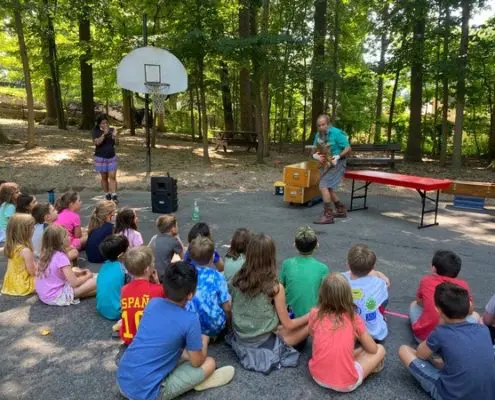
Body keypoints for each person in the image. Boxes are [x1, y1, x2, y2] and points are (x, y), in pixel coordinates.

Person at [116, 261, 235, 400]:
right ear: (190, 295)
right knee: (210, 363)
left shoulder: (153, 303)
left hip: (122, 379)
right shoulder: (190, 319)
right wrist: (205, 340)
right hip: (146, 394)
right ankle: (198, 382)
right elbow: (197, 362)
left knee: (179, 353)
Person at [228, 234, 309, 373]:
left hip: (240, 335)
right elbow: (288, 324)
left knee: (282, 327)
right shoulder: (275, 287)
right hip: (262, 339)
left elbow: (231, 306)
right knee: (308, 326)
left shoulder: (236, 279)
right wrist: (311, 315)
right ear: (271, 256)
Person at [399, 283, 495, 400]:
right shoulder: (483, 329)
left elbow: (420, 354)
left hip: (450, 395)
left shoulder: (440, 332)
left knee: (404, 350)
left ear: (438, 310)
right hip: (488, 394)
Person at [309, 273, 386, 392]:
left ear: (322, 294)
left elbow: (313, 335)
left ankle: (344, 362)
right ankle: (362, 367)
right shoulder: (354, 318)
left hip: (317, 376)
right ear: (348, 295)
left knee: (345, 350)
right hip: (346, 384)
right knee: (380, 349)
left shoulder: (315, 313)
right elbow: (373, 349)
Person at [409, 250, 479, 342]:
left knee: (414, 305)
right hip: (454, 338)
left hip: (425, 338)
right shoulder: (463, 285)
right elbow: (469, 310)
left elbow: (419, 301)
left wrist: (431, 306)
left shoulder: (426, 281)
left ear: (434, 268)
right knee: (476, 315)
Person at [35, 225, 96, 305]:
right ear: (60, 241)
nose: (70, 237)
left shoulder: (45, 253)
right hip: (56, 296)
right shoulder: (61, 257)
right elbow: (75, 283)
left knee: (76, 270)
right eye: (67, 236)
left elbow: (56, 273)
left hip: (44, 294)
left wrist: (78, 274)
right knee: (96, 281)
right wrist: (88, 276)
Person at [185, 236, 231, 337]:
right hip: (214, 328)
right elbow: (227, 308)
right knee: (227, 297)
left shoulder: (186, 275)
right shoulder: (217, 276)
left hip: (191, 328)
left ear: (191, 257)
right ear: (212, 257)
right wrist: (230, 325)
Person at [311, 114, 352, 224]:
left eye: (323, 124)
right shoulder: (318, 135)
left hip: (338, 162)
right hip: (326, 164)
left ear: (328, 124)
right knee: (328, 188)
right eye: (319, 125)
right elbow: (313, 149)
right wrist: (315, 156)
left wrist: (338, 156)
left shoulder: (337, 133)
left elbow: (348, 148)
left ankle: (328, 215)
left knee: (323, 186)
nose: (321, 127)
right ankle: (340, 210)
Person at [343, 244, 389, 341]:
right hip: (373, 333)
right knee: (383, 298)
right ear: (372, 267)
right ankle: (379, 314)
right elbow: (387, 285)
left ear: (347, 264)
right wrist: (378, 274)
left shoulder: (340, 279)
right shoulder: (378, 283)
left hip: (347, 329)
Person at [280, 226, 329, 318]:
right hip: (312, 316)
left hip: (290, 315)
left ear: (294, 244)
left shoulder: (287, 264)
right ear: (317, 245)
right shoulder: (323, 268)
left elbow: (280, 287)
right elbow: (325, 295)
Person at [120, 246, 164, 345]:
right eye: (152, 263)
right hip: (150, 341)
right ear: (147, 269)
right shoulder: (158, 289)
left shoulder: (124, 290)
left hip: (129, 339)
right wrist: (157, 283)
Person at [1, 213, 36, 296]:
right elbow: (33, 272)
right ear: (25, 231)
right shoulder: (25, 250)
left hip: (10, 284)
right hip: (23, 284)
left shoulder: (11, 246)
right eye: (32, 227)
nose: (34, 229)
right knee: (47, 280)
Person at [96, 234, 129, 320]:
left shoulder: (104, 266)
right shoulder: (124, 269)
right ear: (121, 255)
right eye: (128, 249)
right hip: (118, 312)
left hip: (100, 308)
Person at [92, 114, 119, 202]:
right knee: (104, 177)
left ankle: (114, 195)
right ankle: (107, 194)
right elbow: (97, 143)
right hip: (100, 157)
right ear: (99, 124)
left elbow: (117, 143)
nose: (105, 125)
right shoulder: (95, 131)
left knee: (112, 176)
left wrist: (115, 136)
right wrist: (104, 134)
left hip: (111, 156)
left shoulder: (112, 130)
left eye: (106, 123)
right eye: (103, 123)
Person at [151, 215, 184, 281]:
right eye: (176, 226)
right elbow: (182, 256)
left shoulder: (154, 238)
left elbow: (149, 249)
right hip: (164, 275)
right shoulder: (174, 241)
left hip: (153, 272)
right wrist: (177, 237)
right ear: (173, 229)